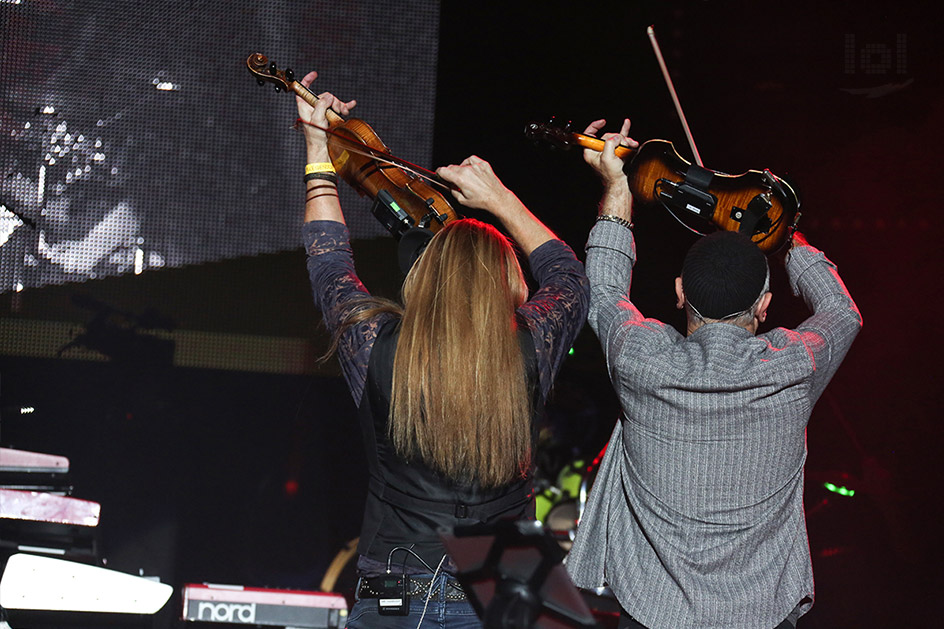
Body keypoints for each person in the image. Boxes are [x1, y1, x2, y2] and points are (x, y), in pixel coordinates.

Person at [294, 71, 589, 628]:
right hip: (502, 585)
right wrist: (500, 201)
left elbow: (328, 261)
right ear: (505, 284)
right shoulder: (532, 345)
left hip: (394, 585)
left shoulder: (376, 343)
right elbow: (568, 277)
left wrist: (318, 150)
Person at [564, 119, 862, 629]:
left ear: (680, 292)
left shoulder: (640, 359)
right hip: (762, 616)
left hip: (652, 613)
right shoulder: (795, 365)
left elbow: (606, 293)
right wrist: (783, 235)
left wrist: (617, 188)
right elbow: (843, 312)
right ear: (765, 306)